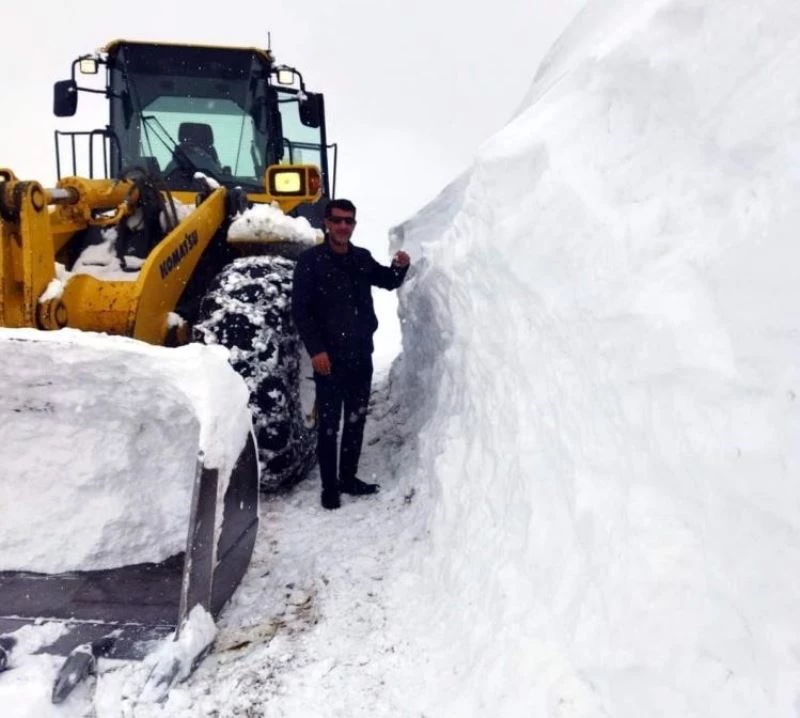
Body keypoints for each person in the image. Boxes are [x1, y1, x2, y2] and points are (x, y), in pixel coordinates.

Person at [292, 199, 411, 510]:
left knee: (355, 420)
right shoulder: (310, 262)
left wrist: (400, 266)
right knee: (329, 424)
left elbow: (387, 281)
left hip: (360, 354)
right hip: (328, 359)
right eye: (338, 220)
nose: (343, 226)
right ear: (327, 224)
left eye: (349, 221)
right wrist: (316, 350)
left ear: (353, 226)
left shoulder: (360, 258)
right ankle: (329, 488)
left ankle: (348, 478)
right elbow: (301, 312)